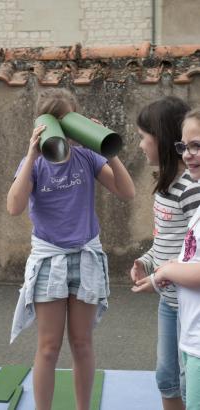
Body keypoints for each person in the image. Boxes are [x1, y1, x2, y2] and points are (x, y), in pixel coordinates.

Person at [7, 88, 135, 410]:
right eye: (56, 123)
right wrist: (32, 155)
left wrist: (107, 149)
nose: (63, 132)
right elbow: (13, 207)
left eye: (69, 122)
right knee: (48, 347)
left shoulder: (87, 157)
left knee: (82, 344)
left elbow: (127, 191)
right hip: (50, 259)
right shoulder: (32, 164)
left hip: (85, 256)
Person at [130, 96, 200, 410]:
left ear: (162, 140)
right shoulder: (165, 185)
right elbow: (169, 241)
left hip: (186, 304)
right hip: (168, 303)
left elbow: (192, 252)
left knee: (188, 382)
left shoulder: (191, 189)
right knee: (166, 377)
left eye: (144, 138)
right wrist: (147, 261)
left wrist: (159, 278)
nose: (140, 145)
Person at [152, 107, 200, 410]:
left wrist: (166, 269)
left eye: (197, 145)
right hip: (192, 338)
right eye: (185, 146)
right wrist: (159, 272)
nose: (188, 154)